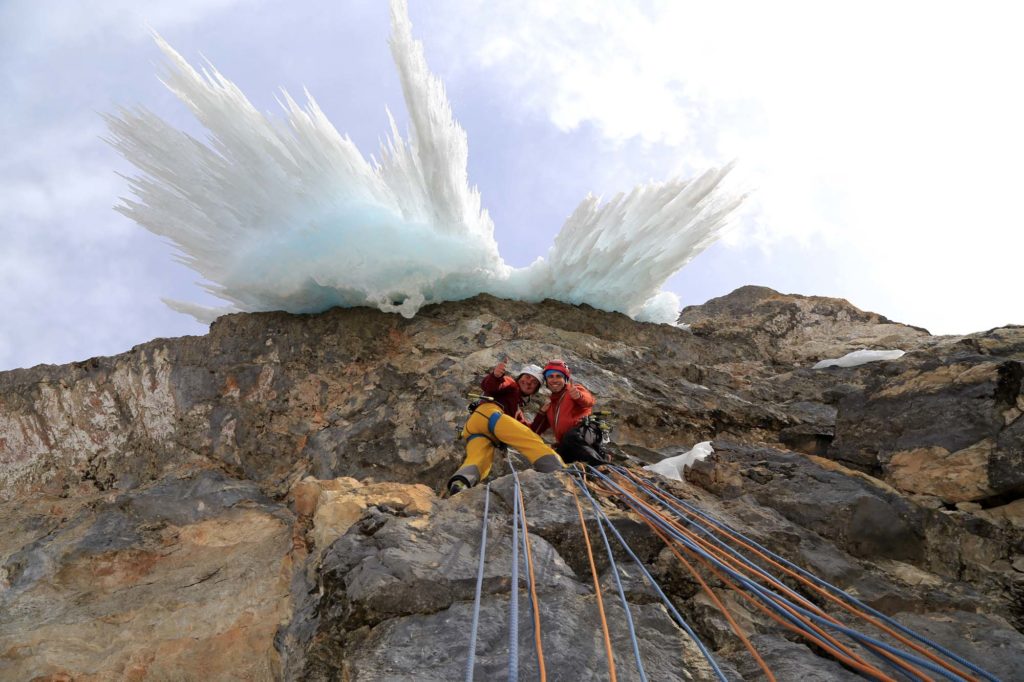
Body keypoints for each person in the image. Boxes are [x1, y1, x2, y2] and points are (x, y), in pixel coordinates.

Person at [447, 358, 565, 496]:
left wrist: (541, 414)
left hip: (475, 428)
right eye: (527, 377)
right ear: (519, 378)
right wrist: (496, 376)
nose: (529, 382)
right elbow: (491, 386)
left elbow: (527, 429)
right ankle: (558, 468)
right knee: (529, 440)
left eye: (534, 382)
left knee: (480, 459)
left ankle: (461, 483)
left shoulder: (516, 410)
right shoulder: (510, 384)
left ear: (534, 391)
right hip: (490, 415)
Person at [531, 359, 608, 466]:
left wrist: (578, 396)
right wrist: (541, 413)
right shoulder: (551, 405)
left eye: (559, 376)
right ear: (546, 380)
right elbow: (534, 431)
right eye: (550, 376)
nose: (554, 380)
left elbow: (589, 401)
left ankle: (602, 466)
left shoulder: (574, 390)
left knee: (570, 436)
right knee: (553, 460)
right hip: (569, 444)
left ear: (565, 379)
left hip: (584, 436)